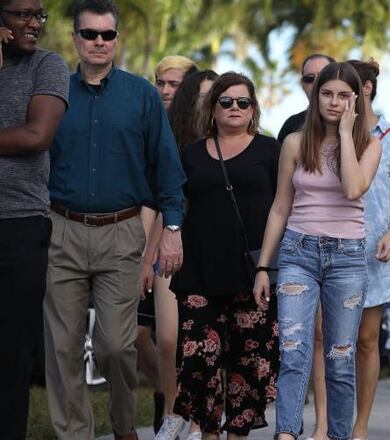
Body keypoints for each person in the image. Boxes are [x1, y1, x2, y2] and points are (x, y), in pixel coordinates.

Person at [45, 1, 186, 438]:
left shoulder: (141, 94)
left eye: (107, 35)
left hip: (122, 231)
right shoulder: (55, 92)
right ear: (75, 39)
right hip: (61, 230)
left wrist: (173, 230)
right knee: (63, 348)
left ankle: (124, 425)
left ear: (116, 40)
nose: (99, 42)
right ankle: (75, 433)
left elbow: (166, 164)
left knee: (115, 346)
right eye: (90, 34)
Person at [252, 62, 382, 440]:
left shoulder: (369, 144)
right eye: (327, 93)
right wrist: (264, 266)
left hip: (347, 259)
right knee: (293, 352)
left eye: (344, 95)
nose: (334, 101)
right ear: (315, 95)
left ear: (355, 100)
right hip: (298, 253)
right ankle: (287, 433)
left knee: (340, 359)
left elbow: (354, 189)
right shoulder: (295, 142)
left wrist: (345, 132)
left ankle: (339, 435)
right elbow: (280, 207)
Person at [306, 58, 390, 440]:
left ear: (365, 89)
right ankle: (323, 425)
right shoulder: (321, 132)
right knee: (326, 340)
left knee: (366, 342)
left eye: (348, 88)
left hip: (374, 254)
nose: (337, 97)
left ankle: (360, 427)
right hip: (328, 249)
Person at [165, 72, 280, 440]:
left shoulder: (270, 150)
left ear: (253, 109)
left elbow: (286, 207)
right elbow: (172, 203)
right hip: (199, 270)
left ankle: (237, 436)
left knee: (247, 365)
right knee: (198, 362)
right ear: (213, 109)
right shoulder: (191, 153)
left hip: (251, 272)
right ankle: (209, 433)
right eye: (226, 101)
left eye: (242, 102)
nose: (234, 108)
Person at [0, 1, 69, 437]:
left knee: (11, 352)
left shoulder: (48, 65)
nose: (34, 24)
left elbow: (36, 135)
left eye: (39, 15)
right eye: (23, 14)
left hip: (20, 224)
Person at [136, 55, 200, 436]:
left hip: (187, 239)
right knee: (136, 337)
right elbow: (150, 196)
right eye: (161, 82)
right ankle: (166, 392)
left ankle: (179, 411)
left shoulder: (199, 131)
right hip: (150, 233)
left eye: (174, 84)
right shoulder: (149, 124)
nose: (165, 90)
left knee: (176, 337)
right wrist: (143, 252)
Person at [277, 53, 335, 144]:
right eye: (309, 78)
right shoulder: (291, 125)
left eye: (323, 76)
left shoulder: (356, 120)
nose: (316, 82)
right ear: (303, 85)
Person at [168, 69, 219, 146]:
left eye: (216, 95)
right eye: (205, 96)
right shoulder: (170, 137)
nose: (212, 100)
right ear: (190, 100)